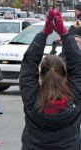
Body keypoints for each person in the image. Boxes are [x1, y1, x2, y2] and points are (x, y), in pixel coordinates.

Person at [19, 8, 81, 150]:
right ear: (65, 75)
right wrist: (65, 34)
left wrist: (43, 34)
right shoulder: (75, 100)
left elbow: (29, 64)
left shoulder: (32, 101)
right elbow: (77, 65)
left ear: (41, 75)